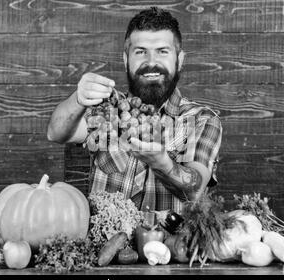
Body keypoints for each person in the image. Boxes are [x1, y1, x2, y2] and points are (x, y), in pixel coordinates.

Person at [47, 7, 222, 213]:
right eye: (140, 52)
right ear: (125, 59)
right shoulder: (107, 108)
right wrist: (78, 99)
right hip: (105, 244)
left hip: (169, 244)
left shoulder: (201, 119)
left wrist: (163, 164)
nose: (151, 62)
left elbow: (195, 190)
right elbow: (55, 132)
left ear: (180, 60)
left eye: (162, 51)